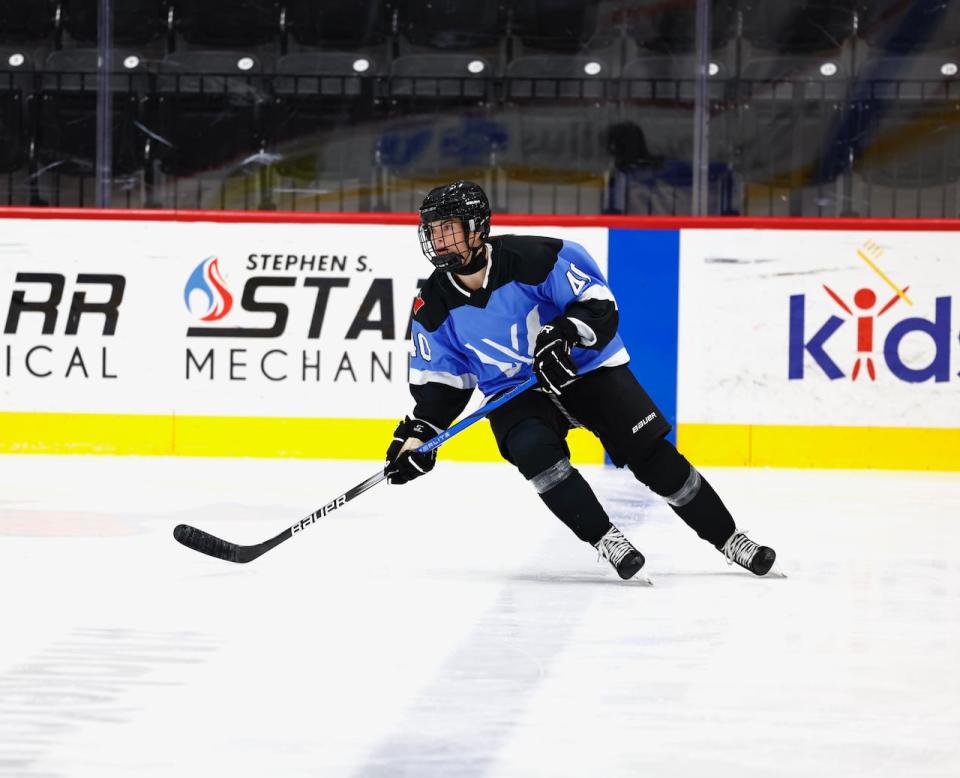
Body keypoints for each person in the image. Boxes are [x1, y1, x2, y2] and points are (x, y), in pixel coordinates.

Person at [385, 180, 777, 581]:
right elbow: (443, 387)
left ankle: (730, 539)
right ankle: (606, 538)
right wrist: (419, 437)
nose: (439, 240)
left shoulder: (538, 257)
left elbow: (599, 304)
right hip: (514, 393)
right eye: (432, 231)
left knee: (652, 458)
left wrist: (565, 333)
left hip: (582, 367)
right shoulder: (431, 306)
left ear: (477, 227)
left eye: (448, 228)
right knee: (536, 455)